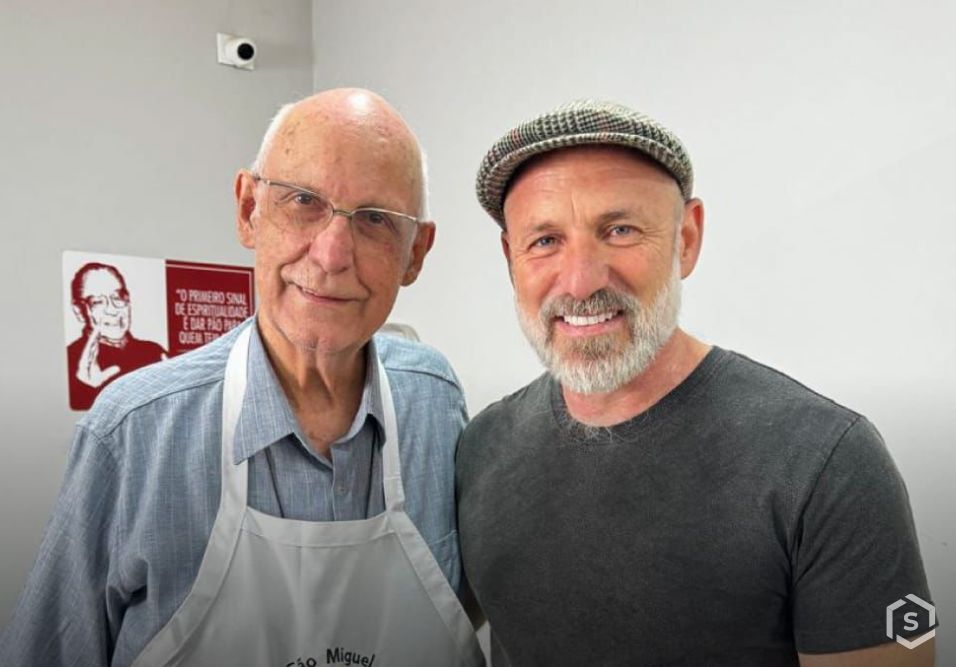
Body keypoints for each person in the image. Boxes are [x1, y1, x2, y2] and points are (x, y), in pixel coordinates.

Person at [1, 89, 484, 667]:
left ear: (416, 253)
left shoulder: (436, 404)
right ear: (248, 209)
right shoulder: (135, 432)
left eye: (375, 219)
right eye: (304, 200)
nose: (331, 254)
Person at [457, 100, 936, 666]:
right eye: (544, 241)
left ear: (686, 239)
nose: (581, 281)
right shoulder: (480, 448)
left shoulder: (827, 462)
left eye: (619, 229)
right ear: (511, 258)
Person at [67, 262, 168, 410]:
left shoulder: (154, 353)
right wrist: (86, 388)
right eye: (98, 302)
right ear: (79, 311)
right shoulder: (70, 359)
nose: (113, 310)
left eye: (118, 297)